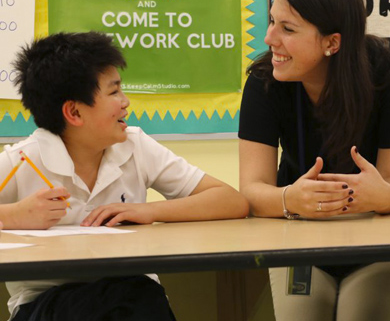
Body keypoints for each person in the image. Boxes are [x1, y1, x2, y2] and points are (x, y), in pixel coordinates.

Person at [0, 31, 249, 321]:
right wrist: (14, 215)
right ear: (74, 112)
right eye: (114, 92)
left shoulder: (135, 146)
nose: (125, 101)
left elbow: (231, 201)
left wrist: (149, 210)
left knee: (138, 296)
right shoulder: (22, 159)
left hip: (132, 298)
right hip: (47, 304)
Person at [239, 0, 390, 320]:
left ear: (332, 43)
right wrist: (289, 197)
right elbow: (251, 190)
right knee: (302, 312)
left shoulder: (384, 73)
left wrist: (382, 196)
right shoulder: (264, 81)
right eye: (271, 21)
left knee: (360, 311)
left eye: (287, 28)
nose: (269, 38)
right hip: (300, 236)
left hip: (375, 240)